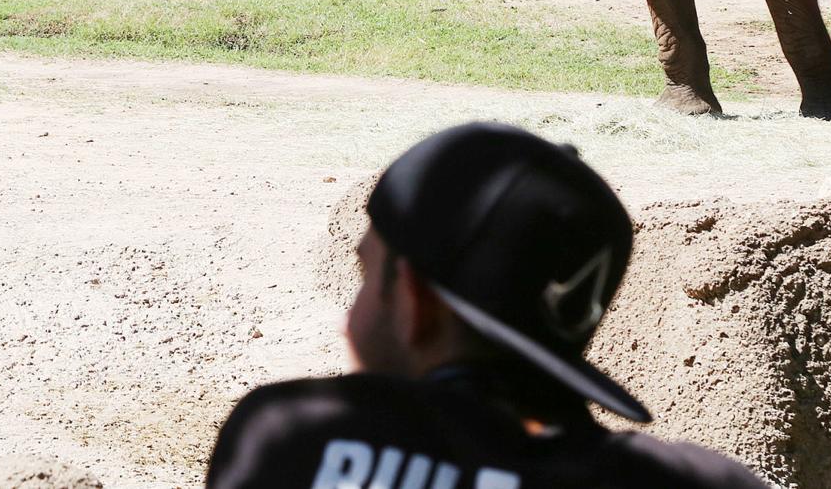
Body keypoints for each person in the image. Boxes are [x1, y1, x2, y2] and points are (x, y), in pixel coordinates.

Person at [206, 122, 769, 489]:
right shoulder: (702, 483)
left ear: (414, 303)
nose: (345, 320)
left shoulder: (290, 438)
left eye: (365, 276)